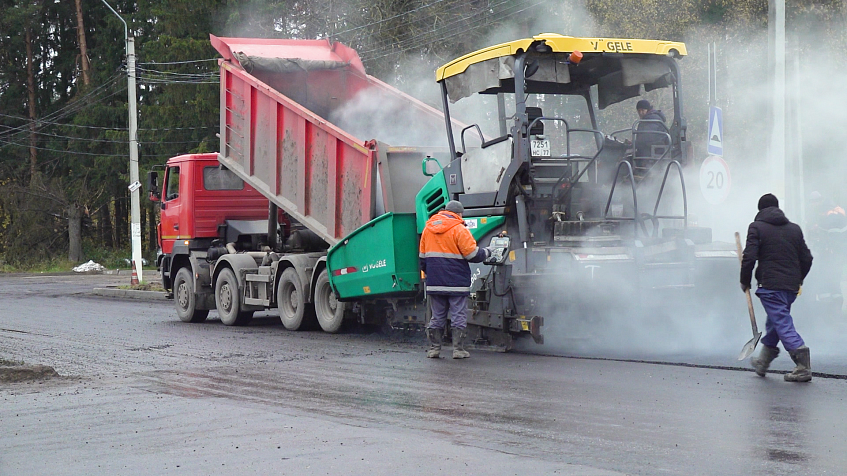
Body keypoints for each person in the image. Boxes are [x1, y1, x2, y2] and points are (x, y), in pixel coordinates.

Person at [741, 193, 814, 382]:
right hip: (790, 288)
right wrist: (799, 279)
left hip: (770, 285)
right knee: (775, 322)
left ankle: (802, 366)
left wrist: (744, 280)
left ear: (760, 210)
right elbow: (807, 258)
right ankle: (763, 362)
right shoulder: (794, 229)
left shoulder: (756, 227)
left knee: (781, 321)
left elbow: (749, 257)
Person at [419, 200, 490, 359]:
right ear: (458, 214)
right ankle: (458, 350)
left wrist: (432, 274)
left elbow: (422, 259)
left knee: (437, 316)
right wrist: (488, 252)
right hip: (456, 282)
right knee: (458, 315)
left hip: (435, 283)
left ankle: (434, 349)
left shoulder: (427, 230)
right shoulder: (459, 229)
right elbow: (472, 255)